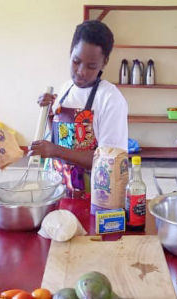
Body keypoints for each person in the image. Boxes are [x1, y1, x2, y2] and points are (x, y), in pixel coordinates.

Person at [30, 20, 128, 200]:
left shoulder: (110, 99)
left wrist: (55, 150)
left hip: (94, 196)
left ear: (104, 63)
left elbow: (110, 162)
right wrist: (49, 113)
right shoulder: (66, 89)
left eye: (91, 66)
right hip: (57, 189)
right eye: (76, 61)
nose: (81, 72)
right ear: (70, 52)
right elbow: (60, 137)